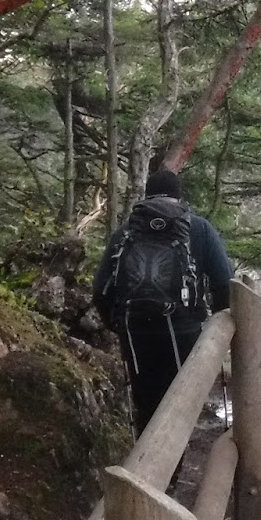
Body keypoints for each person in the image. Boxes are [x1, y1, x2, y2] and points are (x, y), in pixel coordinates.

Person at [92, 169, 233, 433]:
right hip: (184, 330)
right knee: (180, 405)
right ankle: (171, 470)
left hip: (135, 332)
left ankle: (145, 468)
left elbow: (101, 290)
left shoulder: (125, 233)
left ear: (147, 196)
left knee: (146, 403)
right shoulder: (199, 229)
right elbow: (225, 283)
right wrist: (216, 324)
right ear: (179, 198)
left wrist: (118, 324)